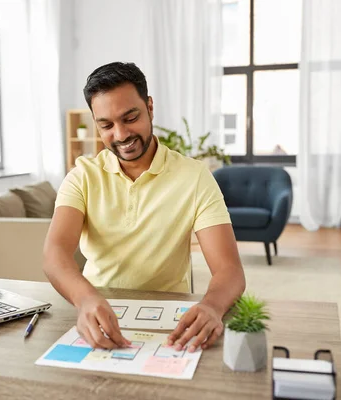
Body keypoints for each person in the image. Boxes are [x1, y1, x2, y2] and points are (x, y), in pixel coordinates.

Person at [43, 62, 245, 353]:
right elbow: (54, 254)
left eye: (130, 117)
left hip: (170, 318)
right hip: (97, 313)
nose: (121, 134)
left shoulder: (194, 176)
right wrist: (85, 298)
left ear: (150, 107)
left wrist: (212, 307)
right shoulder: (82, 176)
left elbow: (229, 269)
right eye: (106, 125)